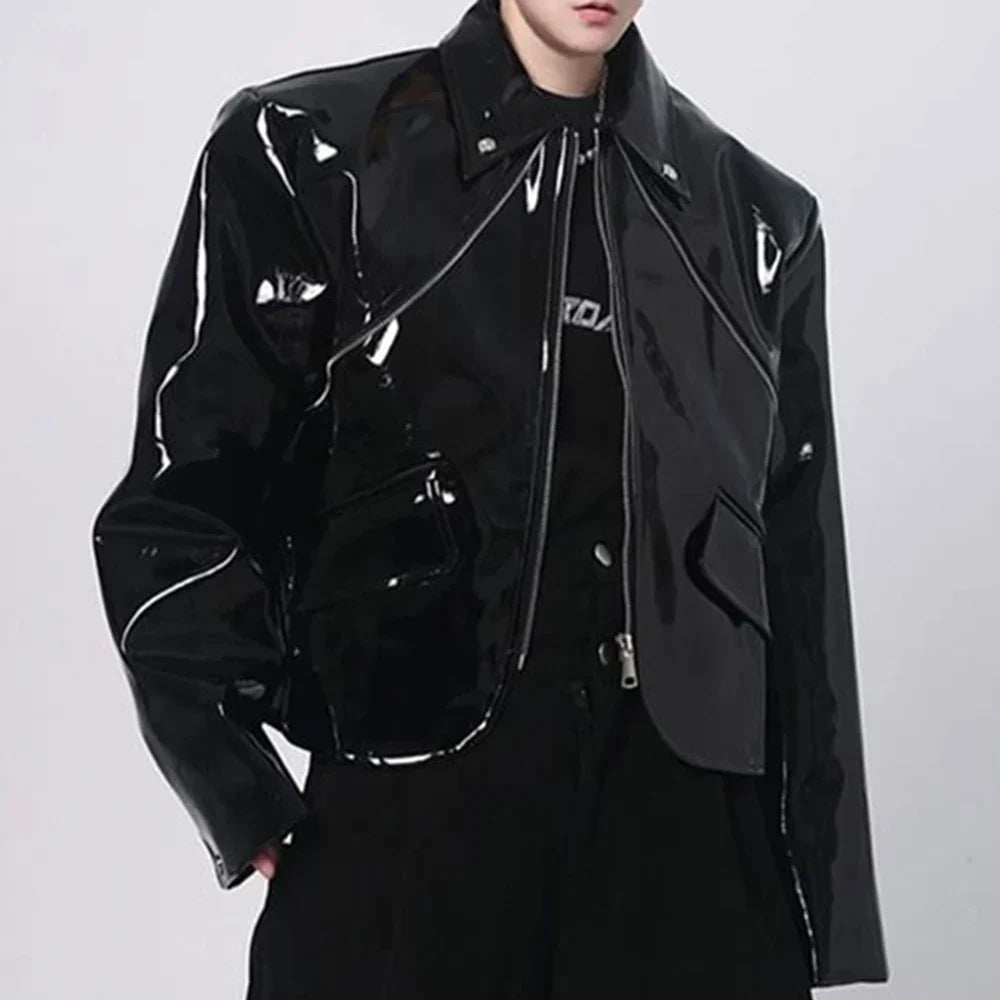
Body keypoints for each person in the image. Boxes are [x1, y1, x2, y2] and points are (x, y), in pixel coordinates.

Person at [90, 1, 890, 997]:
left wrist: (822, 894)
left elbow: (799, 579)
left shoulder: (761, 221)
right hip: (414, 816)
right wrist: (232, 783)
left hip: (688, 843)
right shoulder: (310, 152)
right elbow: (181, 491)